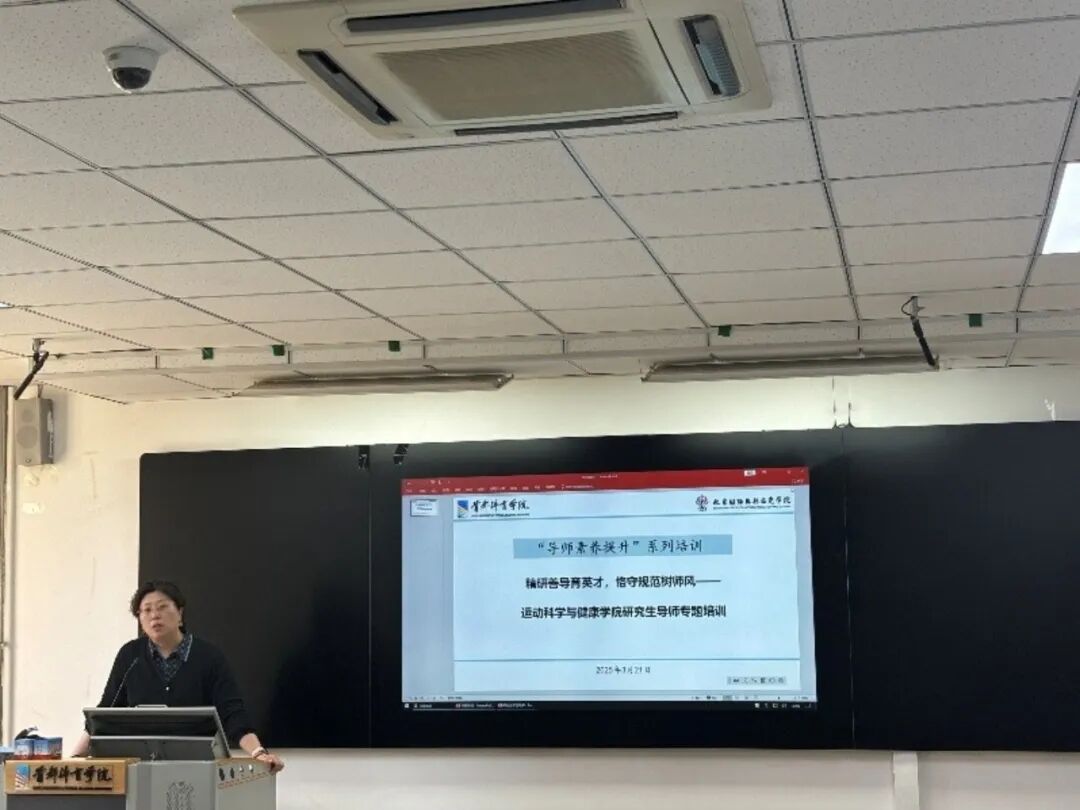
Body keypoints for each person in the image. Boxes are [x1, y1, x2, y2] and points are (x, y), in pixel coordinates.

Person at [71, 581, 284, 773]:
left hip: (200, 768)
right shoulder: (130, 656)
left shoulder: (209, 657)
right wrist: (75, 759)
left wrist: (258, 752)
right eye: (146, 610)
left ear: (180, 613)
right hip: (141, 769)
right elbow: (105, 712)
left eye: (162, 607)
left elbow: (233, 714)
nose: (154, 615)